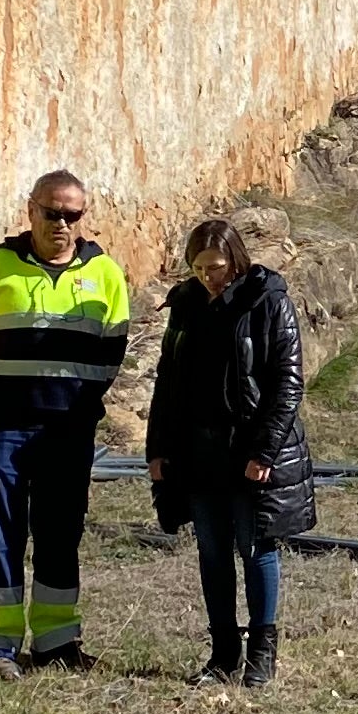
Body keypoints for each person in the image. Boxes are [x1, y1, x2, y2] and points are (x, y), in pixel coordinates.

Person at [0, 170, 133, 675]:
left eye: (72, 215)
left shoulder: (104, 275)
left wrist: (80, 405)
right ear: (31, 210)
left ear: (83, 217)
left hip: (68, 428)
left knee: (61, 531)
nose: (60, 223)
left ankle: (57, 643)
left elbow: (113, 349)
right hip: (0, 425)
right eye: (51, 212)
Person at [144, 217, 314, 687]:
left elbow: (287, 383)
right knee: (212, 553)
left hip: (249, 452)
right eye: (198, 268)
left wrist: (264, 451)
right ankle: (222, 655)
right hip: (198, 454)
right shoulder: (185, 306)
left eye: (216, 266)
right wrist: (157, 450)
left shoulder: (268, 301)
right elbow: (167, 384)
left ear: (235, 260)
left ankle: (262, 653)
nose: (208, 277)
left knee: (255, 547)